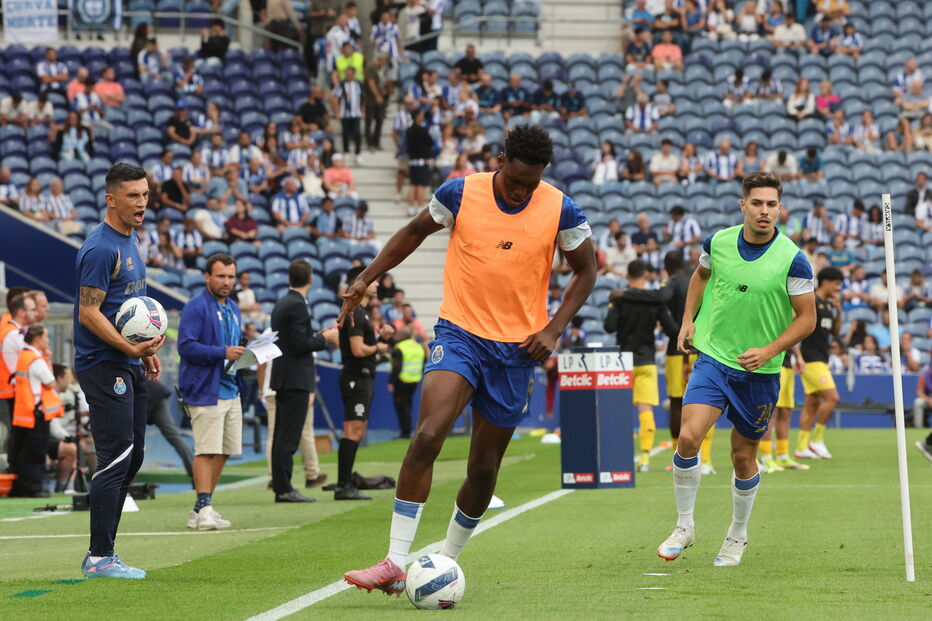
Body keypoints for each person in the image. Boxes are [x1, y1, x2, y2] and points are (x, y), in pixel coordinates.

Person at [341, 125, 596, 593]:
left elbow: (586, 270)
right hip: (460, 333)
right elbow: (413, 232)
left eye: (531, 183)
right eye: (516, 179)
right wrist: (366, 277)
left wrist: (554, 328)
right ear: (500, 160)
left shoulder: (561, 207)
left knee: (483, 469)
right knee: (428, 435)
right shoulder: (461, 193)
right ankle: (395, 561)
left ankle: (445, 562)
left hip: (518, 350)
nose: (522, 190)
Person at [657, 171, 816, 567]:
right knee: (689, 436)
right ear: (743, 204)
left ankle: (737, 536)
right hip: (713, 356)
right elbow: (700, 275)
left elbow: (806, 319)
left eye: (772, 204)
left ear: (780, 208)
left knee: (742, 457)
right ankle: (684, 526)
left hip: (759, 373)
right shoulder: (719, 242)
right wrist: (688, 321)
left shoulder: (793, 259)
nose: (765, 211)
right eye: (757, 203)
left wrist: (768, 350)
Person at [75, 163, 164, 579]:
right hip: (102, 362)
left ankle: (107, 552)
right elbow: (89, 312)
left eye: (145, 194)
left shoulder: (133, 240)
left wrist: (143, 352)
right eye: (133, 195)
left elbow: (131, 305)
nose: (142, 203)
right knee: (115, 459)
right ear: (111, 199)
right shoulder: (100, 248)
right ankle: (99, 557)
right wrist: (130, 346)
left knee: (134, 456)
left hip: (128, 360)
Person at [178, 254, 243, 530]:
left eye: (230, 276)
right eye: (221, 276)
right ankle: (204, 506)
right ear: (207, 277)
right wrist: (222, 352)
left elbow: (231, 345)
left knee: (225, 450)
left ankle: (202, 507)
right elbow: (185, 346)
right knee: (206, 450)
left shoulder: (234, 307)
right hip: (206, 389)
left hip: (230, 387)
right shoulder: (196, 306)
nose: (226, 282)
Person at [269, 260, 338, 502]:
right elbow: (300, 345)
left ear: (289, 278)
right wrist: (324, 337)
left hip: (284, 376)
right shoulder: (297, 305)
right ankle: (284, 488)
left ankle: (282, 485)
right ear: (311, 279)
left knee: (281, 436)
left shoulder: (282, 303)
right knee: (288, 438)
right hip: (295, 379)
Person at [603, 260, 678, 472]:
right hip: (646, 361)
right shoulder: (655, 301)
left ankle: (617, 457)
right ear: (646, 274)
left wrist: (612, 305)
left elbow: (608, 327)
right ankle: (645, 458)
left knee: (620, 411)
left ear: (627, 275)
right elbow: (672, 329)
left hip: (623, 362)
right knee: (645, 411)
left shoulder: (619, 298)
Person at [336, 266, 396, 500]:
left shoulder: (362, 313)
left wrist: (383, 340)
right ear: (359, 283)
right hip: (355, 377)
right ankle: (343, 485)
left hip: (362, 376)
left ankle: (345, 480)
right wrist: (379, 346)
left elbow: (368, 351)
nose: (377, 284)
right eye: (373, 280)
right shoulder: (355, 312)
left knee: (356, 430)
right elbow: (358, 349)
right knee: (353, 429)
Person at [793, 266, 844, 462]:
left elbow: (835, 333)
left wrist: (838, 311)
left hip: (822, 357)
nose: (838, 288)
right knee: (832, 398)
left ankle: (801, 447)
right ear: (826, 282)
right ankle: (817, 440)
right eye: (837, 284)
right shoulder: (811, 300)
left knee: (812, 403)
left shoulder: (828, 305)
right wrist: (797, 354)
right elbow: (793, 322)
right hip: (810, 358)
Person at [8, 325, 62, 497]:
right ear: (37, 339)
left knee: (22, 452)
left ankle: (20, 487)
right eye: (46, 336)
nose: (48, 340)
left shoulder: (24, 356)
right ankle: (34, 488)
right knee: (36, 452)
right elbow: (51, 382)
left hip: (23, 412)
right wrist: (47, 359)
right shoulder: (36, 359)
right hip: (36, 413)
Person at [758, 345, 809, 473]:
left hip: (787, 365)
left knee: (786, 411)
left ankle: (782, 456)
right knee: (771, 412)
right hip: (773, 364)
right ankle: (766, 457)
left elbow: (793, 334)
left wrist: (798, 356)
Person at [390, 326, 425, 440]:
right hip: (414, 380)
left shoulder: (399, 348)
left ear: (402, 336)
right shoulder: (418, 346)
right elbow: (424, 362)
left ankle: (405, 433)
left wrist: (391, 382)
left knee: (402, 407)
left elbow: (397, 367)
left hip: (402, 381)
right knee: (408, 405)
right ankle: (408, 430)